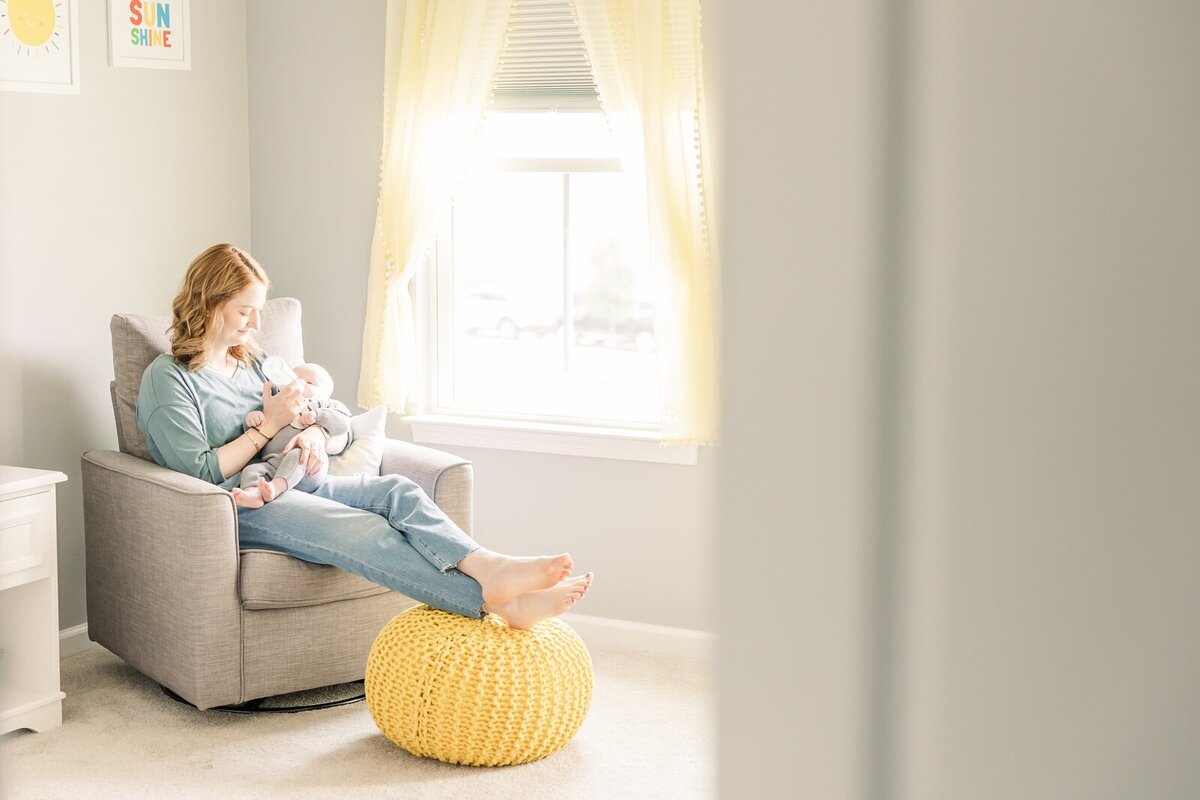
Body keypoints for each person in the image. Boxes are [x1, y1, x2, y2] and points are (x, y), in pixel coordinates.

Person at [136, 243, 592, 629]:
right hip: (239, 503)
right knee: (367, 529)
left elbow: (321, 413)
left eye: (256, 311)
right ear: (209, 303)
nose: (254, 324)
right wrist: (270, 427)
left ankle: (489, 567)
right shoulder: (170, 378)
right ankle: (494, 603)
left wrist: (315, 434)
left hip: (304, 481)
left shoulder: (256, 361)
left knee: (399, 491)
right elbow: (196, 469)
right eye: (244, 311)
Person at [232, 361, 351, 509]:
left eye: (309, 382)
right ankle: (253, 493)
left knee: (299, 454)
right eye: (294, 378)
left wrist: (318, 416)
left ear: (325, 393)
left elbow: (343, 423)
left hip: (308, 467)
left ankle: (276, 488)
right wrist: (253, 418)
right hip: (271, 464)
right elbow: (253, 430)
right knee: (251, 470)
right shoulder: (277, 402)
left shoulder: (325, 404)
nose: (299, 383)